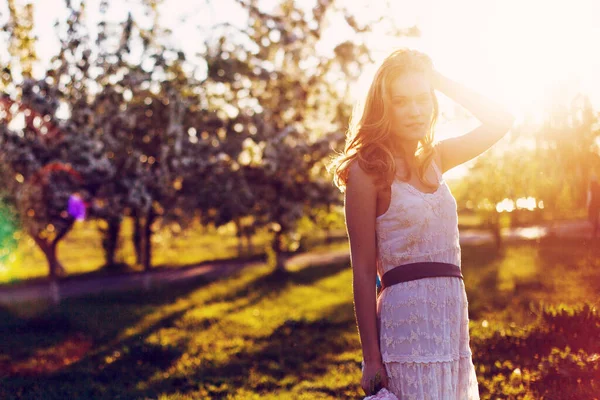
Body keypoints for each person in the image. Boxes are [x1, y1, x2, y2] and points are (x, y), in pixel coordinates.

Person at [329, 48, 514, 399]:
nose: (415, 111)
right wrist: (371, 358)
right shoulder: (367, 171)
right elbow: (364, 271)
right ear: (384, 107)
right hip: (407, 327)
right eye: (401, 101)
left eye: (422, 98)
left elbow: (501, 120)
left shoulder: (437, 157)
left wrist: (439, 80)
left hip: (451, 319)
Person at [588, 173, 600, 238]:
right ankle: (597, 228)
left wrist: (588, 204)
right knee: (596, 215)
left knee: (592, 216)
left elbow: (589, 196)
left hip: (592, 203)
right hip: (598, 203)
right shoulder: (598, 186)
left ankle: (595, 229)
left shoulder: (591, 187)